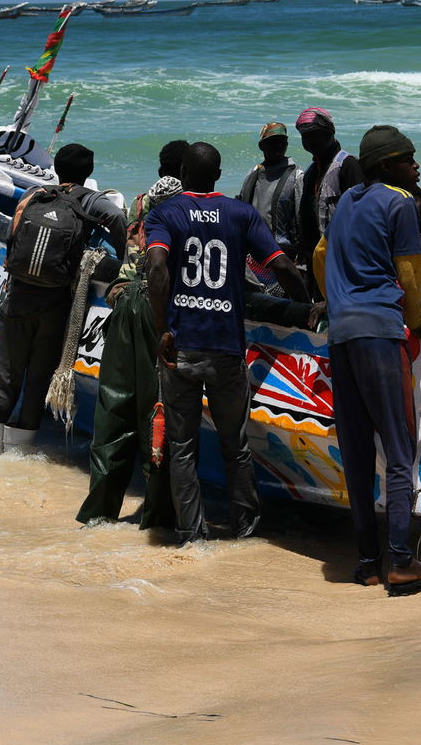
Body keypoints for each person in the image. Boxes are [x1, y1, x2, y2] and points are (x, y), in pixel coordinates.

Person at [144, 142, 308, 546]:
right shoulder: (241, 213)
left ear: (182, 171)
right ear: (218, 175)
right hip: (227, 348)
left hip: (181, 346)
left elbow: (158, 267)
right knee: (235, 446)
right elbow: (282, 266)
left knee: (182, 447)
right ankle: (246, 532)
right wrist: (306, 311)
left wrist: (162, 326)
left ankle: (192, 536)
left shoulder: (165, 213)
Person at [314, 125, 421, 597]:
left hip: (342, 336)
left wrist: (338, 299)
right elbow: (409, 272)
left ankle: (368, 562)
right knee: (398, 445)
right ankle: (403, 563)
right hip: (380, 332)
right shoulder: (400, 203)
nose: (416, 167)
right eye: (409, 159)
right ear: (388, 164)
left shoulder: (346, 201)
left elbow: (320, 254)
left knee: (356, 451)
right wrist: (416, 322)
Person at [0, 144, 126, 456]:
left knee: (5, 386)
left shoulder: (33, 195)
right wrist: (122, 257)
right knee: (36, 387)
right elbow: (116, 218)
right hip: (54, 305)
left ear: (56, 169)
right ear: (87, 174)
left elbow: (14, 238)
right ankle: (17, 463)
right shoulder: (90, 199)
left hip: (17, 298)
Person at [75, 141, 190, 528]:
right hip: (158, 307)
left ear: (160, 166)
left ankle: (99, 512)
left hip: (123, 304)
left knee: (114, 407)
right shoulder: (190, 203)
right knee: (156, 410)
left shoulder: (141, 201)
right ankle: (157, 514)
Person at [294, 107, 364, 278]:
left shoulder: (348, 165)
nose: (309, 141)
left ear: (330, 133)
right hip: (317, 262)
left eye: (314, 135)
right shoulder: (311, 173)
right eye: (305, 137)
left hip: (344, 260)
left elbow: (362, 216)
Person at [237, 121, 303, 258]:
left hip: (284, 254)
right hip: (253, 253)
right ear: (262, 146)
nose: (278, 146)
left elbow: (301, 220)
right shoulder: (252, 175)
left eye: (282, 141)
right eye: (273, 141)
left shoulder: (296, 176)